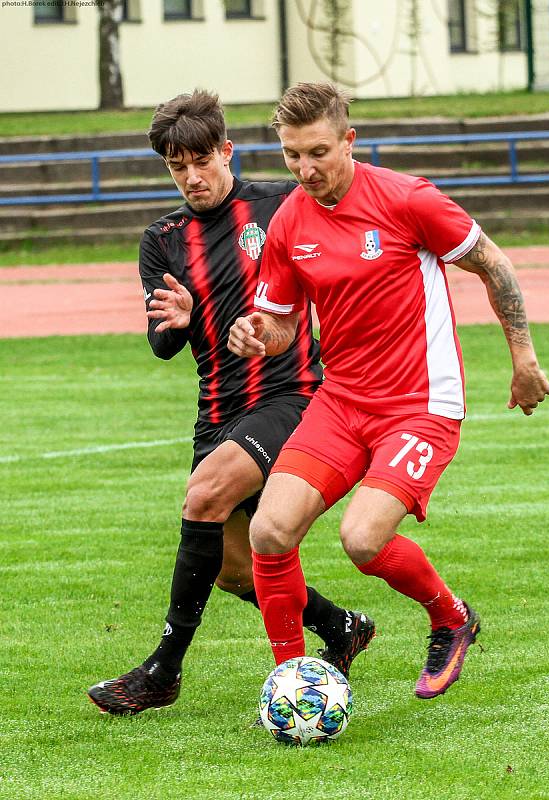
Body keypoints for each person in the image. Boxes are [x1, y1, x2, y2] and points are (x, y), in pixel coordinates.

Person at [228, 82, 549, 700]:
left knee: (362, 539)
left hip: (420, 405)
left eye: (318, 152)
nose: (305, 169)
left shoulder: (407, 199)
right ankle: (290, 679)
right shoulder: (290, 220)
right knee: (268, 532)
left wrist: (523, 357)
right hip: (342, 401)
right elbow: (281, 326)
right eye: (292, 155)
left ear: (350, 141)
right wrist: (256, 333)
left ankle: (452, 618)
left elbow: (493, 262)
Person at [87, 89, 375, 716]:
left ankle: (163, 670)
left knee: (204, 496)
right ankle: (342, 628)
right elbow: (162, 344)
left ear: (226, 150)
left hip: (292, 396)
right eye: (175, 166)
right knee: (232, 569)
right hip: (216, 409)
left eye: (201, 161)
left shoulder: (281, 207)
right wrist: (182, 319)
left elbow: (335, 271)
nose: (191, 177)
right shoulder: (161, 240)